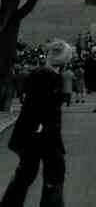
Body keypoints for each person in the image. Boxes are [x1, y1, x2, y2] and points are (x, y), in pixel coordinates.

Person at [1, 40, 72, 207]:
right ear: (65, 59)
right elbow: (48, 112)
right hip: (45, 135)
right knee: (53, 176)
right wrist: (42, 129)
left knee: (25, 174)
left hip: (30, 134)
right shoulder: (52, 77)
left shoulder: (37, 73)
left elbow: (30, 105)